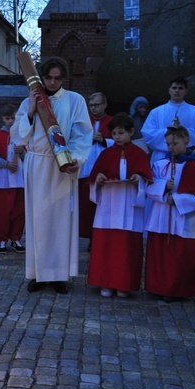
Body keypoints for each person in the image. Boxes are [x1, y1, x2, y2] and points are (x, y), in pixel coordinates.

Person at [11, 56, 93, 294]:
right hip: (37, 165)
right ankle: (37, 273)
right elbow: (18, 137)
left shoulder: (75, 100)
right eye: (49, 77)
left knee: (60, 221)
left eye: (58, 78)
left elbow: (82, 134)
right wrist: (30, 111)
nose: (53, 82)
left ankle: (58, 275)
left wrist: (75, 159)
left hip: (61, 166)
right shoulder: (31, 99)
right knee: (37, 221)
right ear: (41, 77)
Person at [144, 125, 195, 302]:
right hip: (160, 216)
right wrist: (163, 188)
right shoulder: (160, 165)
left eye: (175, 143)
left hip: (182, 218)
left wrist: (176, 199)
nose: (171, 148)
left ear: (186, 141)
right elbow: (149, 187)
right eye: (168, 144)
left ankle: (175, 289)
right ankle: (157, 286)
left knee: (178, 256)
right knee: (160, 253)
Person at [86, 113, 152, 298]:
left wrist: (138, 179)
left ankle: (124, 284)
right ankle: (105, 283)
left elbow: (146, 178)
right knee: (105, 245)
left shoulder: (139, 154)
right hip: (108, 204)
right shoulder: (106, 153)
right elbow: (94, 177)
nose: (116, 137)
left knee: (126, 247)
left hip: (129, 206)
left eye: (121, 133)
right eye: (114, 133)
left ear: (131, 132)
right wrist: (98, 179)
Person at [141, 76, 195, 165]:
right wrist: (170, 131)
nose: (177, 90)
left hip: (187, 157)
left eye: (180, 88)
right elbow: (147, 134)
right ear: (169, 90)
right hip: (161, 158)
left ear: (185, 91)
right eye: (174, 88)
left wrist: (182, 132)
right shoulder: (156, 112)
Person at [0, 104, 26, 254]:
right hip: (2, 180)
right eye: (8, 118)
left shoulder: (23, 135)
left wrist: (22, 153)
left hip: (19, 180)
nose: (10, 121)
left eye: (13, 118)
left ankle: (16, 239)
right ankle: (2, 240)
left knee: (18, 211)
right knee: (1, 212)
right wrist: (6, 164)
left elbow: (32, 157)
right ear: (3, 119)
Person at [78, 92, 113, 242]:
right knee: (86, 205)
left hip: (105, 168)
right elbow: (76, 141)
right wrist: (88, 139)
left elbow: (119, 142)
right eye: (91, 105)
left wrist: (104, 141)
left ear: (105, 104)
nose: (93, 108)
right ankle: (87, 235)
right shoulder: (84, 121)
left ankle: (99, 238)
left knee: (103, 205)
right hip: (86, 169)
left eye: (96, 105)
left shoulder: (112, 122)